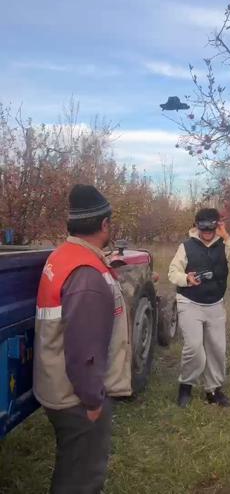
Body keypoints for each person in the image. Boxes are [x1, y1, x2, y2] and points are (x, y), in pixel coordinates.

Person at [33, 184, 132, 494]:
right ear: (104, 224)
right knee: (81, 480)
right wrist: (92, 402)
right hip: (77, 399)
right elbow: (84, 350)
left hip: (58, 387)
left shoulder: (63, 256)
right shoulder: (87, 273)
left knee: (71, 468)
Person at [168, 207, 230, 408]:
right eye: (202, 226)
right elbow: (172, 272)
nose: (206, 231)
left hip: (215, 303)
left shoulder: (224, 244)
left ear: (217, 225)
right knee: (194, 348)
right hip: (189, 302)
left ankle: (213, 390)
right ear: (196, 226)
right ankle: (186, 385)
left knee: (217, 349)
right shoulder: (186, 246)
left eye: (211, 226)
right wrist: (186, 278)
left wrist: (227, 237)